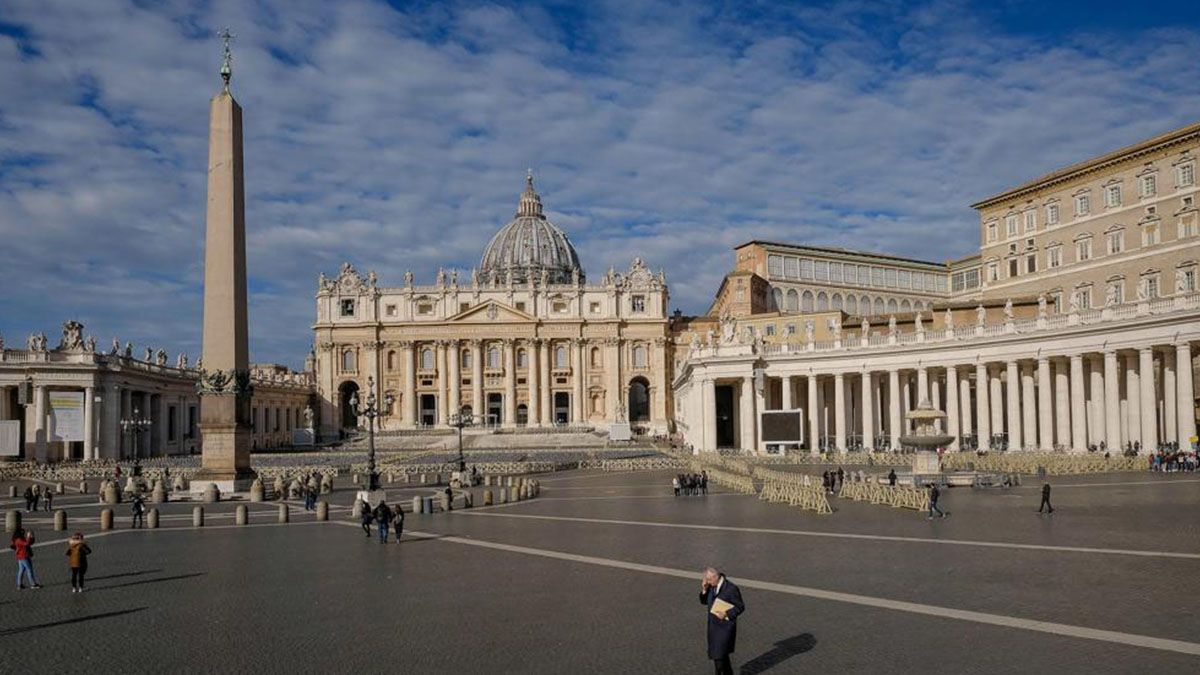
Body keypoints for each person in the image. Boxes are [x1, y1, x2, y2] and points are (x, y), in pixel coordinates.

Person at [699, 567, 745, 675]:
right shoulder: (711, 587)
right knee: (722, 659)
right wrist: (704, 589)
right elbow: (704, 601)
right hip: (713, 628)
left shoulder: (731, 588)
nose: (707, 582)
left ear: (716, 577)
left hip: (725, 629)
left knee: (719, 662)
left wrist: (727, 613)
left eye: (709, 580)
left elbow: (740, 607)